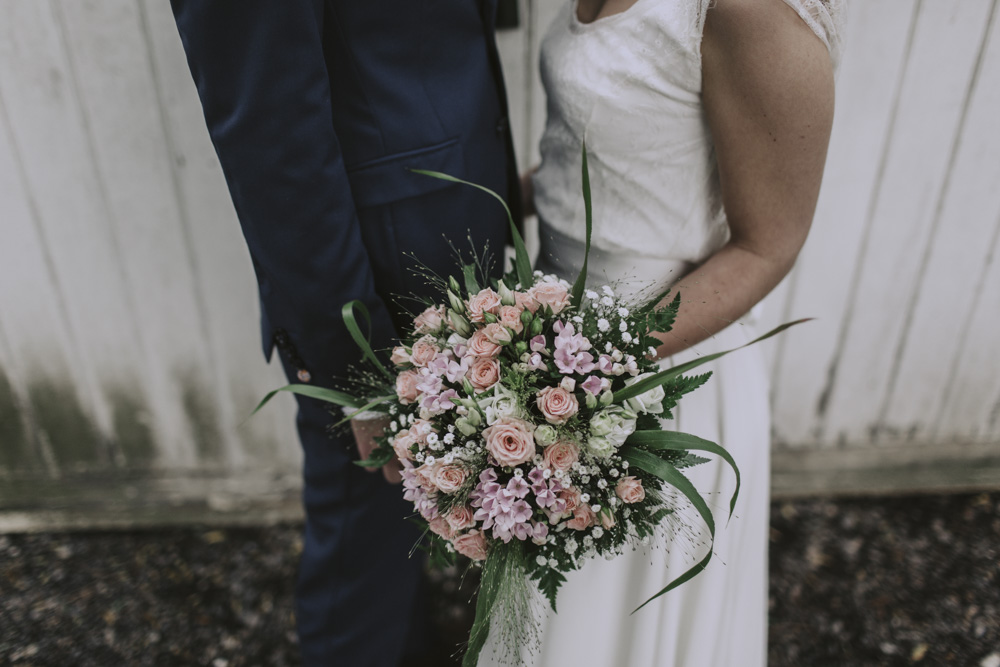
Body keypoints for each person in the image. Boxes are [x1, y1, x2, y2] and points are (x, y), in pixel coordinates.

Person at [485, 0, 841, 664]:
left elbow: (769, 245)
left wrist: (586, 366)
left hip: (655, 375)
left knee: (610, 623)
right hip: (553, 353)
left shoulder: (747, 12)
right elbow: (609, 156)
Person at [168, 2, 520, 665]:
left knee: (407, 530)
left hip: (445, 239)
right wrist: (352, 364)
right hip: (374, 287)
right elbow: (270, 137)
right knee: (365, 541)